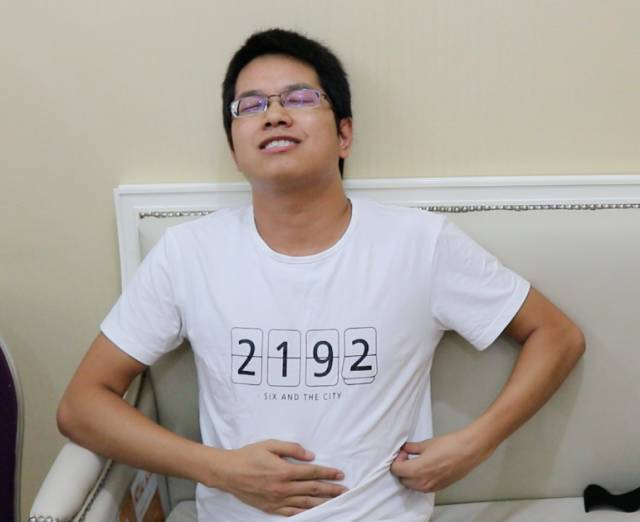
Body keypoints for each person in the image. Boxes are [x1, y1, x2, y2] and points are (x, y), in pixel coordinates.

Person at [58, 28, 585, 522]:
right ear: (235, 149)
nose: (274, 115)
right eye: (251, 105)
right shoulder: (188, 254)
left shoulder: (420, 244)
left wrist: (473, 445)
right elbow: (82, 405)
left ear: (344, 135)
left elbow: (557, 336)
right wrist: (217, 469)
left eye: (300, 98)